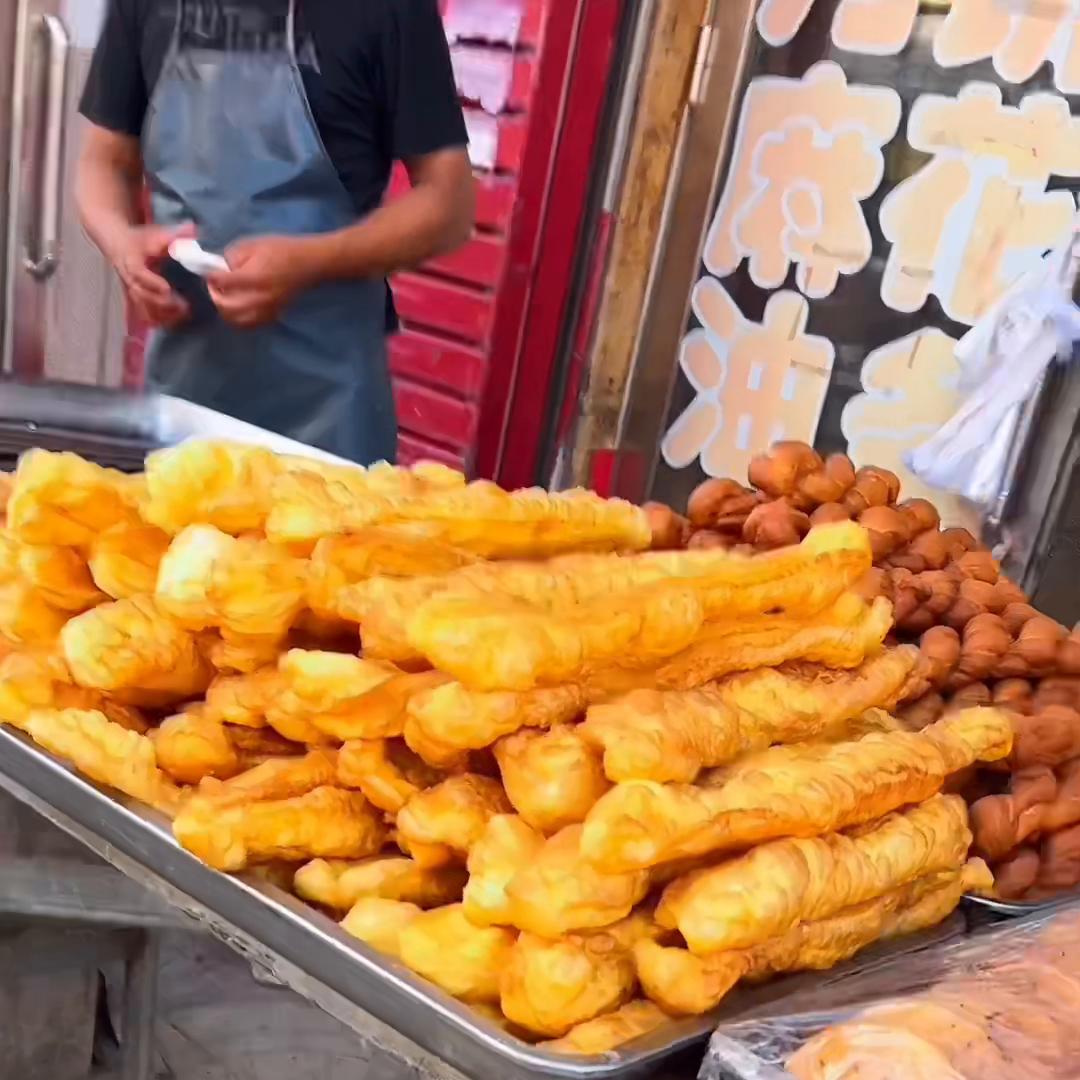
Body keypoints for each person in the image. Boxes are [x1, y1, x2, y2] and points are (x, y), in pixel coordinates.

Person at [76, 0, 475, 463]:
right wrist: (121, 242)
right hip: (182, 401)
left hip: (328, 415)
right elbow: (103, 161)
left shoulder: (391, 11)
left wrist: (310, 262)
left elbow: (449, 204)